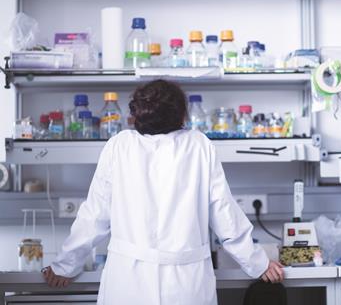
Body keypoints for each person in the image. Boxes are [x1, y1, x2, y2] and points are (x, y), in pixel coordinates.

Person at [43, 80, 284, 304]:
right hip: (186, 285)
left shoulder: (119, 145)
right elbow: (224, 215)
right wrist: (258, 264)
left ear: (136, 112)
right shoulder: (198, 145)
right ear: (181, 114)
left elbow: (94, 216)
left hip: (128, 283)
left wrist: (65, 266)